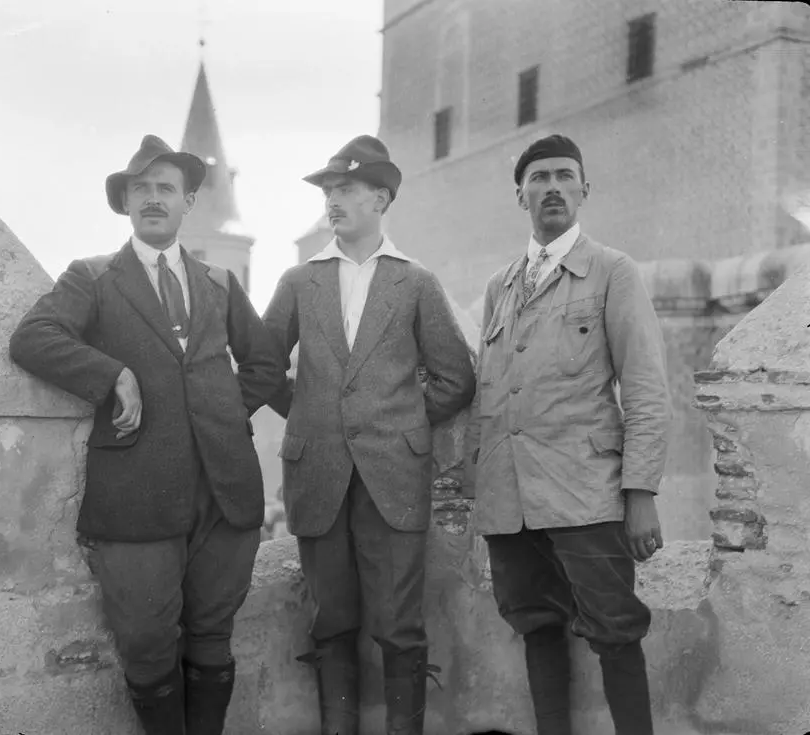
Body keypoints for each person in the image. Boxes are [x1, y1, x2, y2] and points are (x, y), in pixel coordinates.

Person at [9, 134, 284, 735]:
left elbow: (264, 364)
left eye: (165, 188)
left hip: (225, 491)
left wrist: (217, 411)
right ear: (126, 204)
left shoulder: (218, 283)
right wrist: (113, 373)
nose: (152, 198)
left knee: (213, 631)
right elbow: (34, 339)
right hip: (137, 493)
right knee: (146, 638)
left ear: (188, 201)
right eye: (140, 189)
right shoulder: (93, 277)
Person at [262, 135, 476, 735]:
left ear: (381, 197)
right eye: (329, 191)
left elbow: (455, 377)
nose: (333, 200)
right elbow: (260, 368)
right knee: (330, 619)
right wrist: (310, 415)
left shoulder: (415, 283)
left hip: (395, 477)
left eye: (347, 189)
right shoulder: (299, 281)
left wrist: (399, 423)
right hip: (318, 474)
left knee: (400, 623)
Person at [463, 134, 671, 735]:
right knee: (536, 624)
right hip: (511, 502)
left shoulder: (612, 271)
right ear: (520, 194)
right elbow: (490, 393)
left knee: (614, 630)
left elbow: (646, 387)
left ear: (584, 189)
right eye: (539, 178)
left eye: (564, 176)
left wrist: (641, 494)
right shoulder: (501, 286)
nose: (552, 187)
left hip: (586, 493)